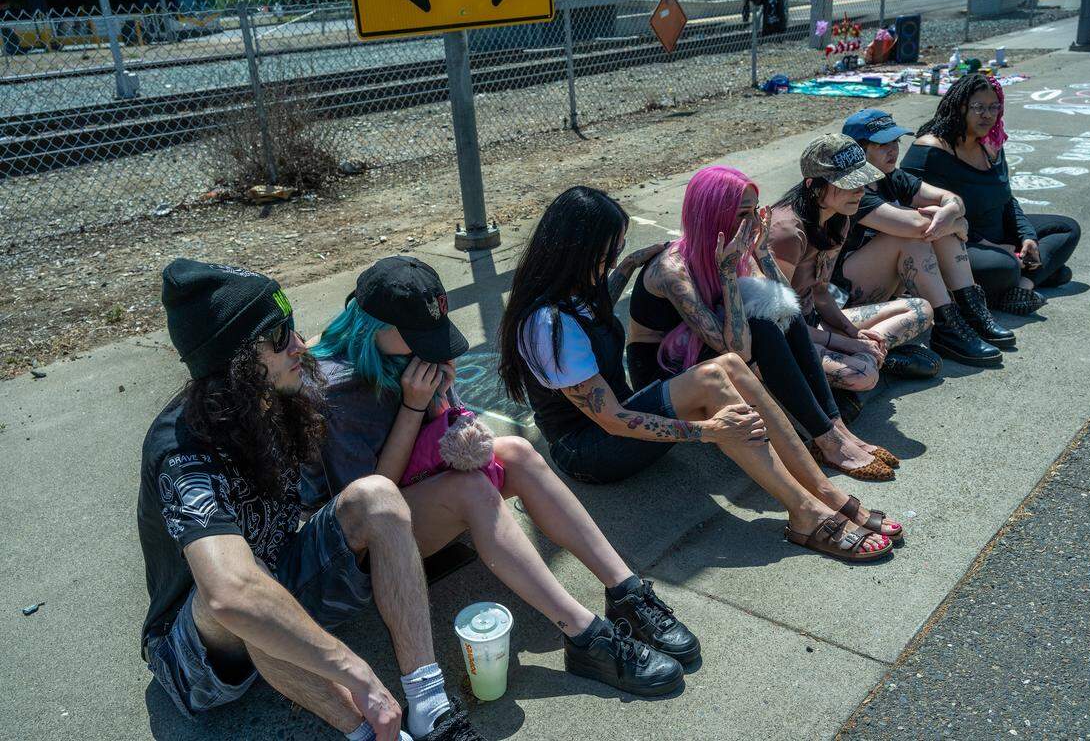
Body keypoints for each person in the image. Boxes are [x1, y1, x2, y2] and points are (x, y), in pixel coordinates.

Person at [306, 256, 695, 698]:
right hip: (370, 542)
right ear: (373, 326)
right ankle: (586, 636)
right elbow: (371, 500)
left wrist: (439, 403)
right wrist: (414, 407)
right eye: (419, 337)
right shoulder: (335, 388)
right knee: (471, 489)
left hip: (423, 496)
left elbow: (446, 436)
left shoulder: (403, 355)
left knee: (517, 451)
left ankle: (625, 591)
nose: (430, 347)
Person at [137, 260, 485, 741]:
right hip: (201, 657)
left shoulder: (279, 391)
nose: (299, 344)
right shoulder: (182, 450)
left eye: (292, 326)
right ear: (234, 357)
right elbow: (230, 593)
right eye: (278, 336)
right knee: (246, 591)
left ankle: (430, 706)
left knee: (376, 497)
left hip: (282, 580)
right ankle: (371, 733)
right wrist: (355, 672)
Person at [498, 186, 903, 563]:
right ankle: (805, 513)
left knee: (727, 365)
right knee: (713, 380)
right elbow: (613, 421)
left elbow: (602, 297)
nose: (615, 255)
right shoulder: (548, 325)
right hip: (589, 451)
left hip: (614, 424)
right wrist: (710, 431)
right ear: (578, 252)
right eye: (610, 250)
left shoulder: (576, 288)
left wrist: (628, 265)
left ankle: (824, 491)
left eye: (620, 245)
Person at [627, 165, 898, 481]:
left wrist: (762, 253)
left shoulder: (733, 247)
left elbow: (785, 304)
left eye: (756, 212)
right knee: (764, 329)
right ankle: (826, 440)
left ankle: (836, 430)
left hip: (701, 353)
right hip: (663, 375)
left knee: (785, 313)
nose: (753, 223)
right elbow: (735, 352)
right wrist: (728, 274)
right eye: (744, 214)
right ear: (714, 216)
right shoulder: (672, 271)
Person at [838, 108, 1012, 366]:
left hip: (882, 279)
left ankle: (970, 312)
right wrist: (956, 223)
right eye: (883, 144)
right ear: (859, 149)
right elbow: (915, 227)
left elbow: (949, 198)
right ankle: (947, 327)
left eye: (895, 141)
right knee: (913, 236)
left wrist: (953, 213)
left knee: (938, 224)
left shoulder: (890, 176)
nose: (893, 150)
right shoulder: (853, 186)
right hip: (843, 292)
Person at [766, 134, 935, 396]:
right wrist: (845, 343)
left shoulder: (838, 217)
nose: (860, 191)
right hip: (787, 337)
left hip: (814, 326)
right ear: (813, 185)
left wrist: (855, 336)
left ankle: (871, 357)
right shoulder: (787, 232)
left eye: (863, 181)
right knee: (862, 376)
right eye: (848, 184)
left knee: (921, 308)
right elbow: (778, 321)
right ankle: (867, 365)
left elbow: (821, 292)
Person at [901, 73, 1081, 315]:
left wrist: (1027, 237)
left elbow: (1006, 198)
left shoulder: (991, 145)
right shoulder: (931, 150)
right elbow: (913, 208)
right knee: (1007, 267)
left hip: (999, 236)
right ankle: (1027, 275)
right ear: (960, 107)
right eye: (979, 107)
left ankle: (1022, 286)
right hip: (960, 241)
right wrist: (993, 247)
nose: (988, 114)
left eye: (993, 107)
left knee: (1067, 228)